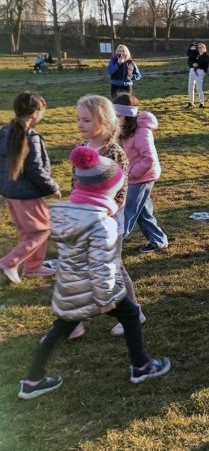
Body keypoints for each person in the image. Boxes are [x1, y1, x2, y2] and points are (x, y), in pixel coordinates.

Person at [17, 147, 170, 400]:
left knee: (58, 331)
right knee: (131, 314)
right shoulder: (103, 223)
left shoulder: (66, 212)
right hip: (96, 288)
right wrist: (105, 298)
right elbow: (101, 265)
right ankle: (141, 366)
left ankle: (32, 380)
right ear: (108, 190)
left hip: (69, 286)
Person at [73, 95, 145, 339]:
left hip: (108, 223)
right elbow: (75, 184)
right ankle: (72, 321)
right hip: (85, 221)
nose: (80, 124)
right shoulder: (81, 149)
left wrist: (102, 213)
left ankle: (133, 312)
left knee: (113, 268)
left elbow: (120, 192)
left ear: (104, 122)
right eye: (78, 119)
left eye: (87, 120)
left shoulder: (114, 153)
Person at [0, 92, 60, 284]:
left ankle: (33, 267)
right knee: (42, 230)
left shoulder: (4, 132)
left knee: (30, 232)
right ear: (35, 112)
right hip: (27, 193)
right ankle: (9, 262)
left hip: (11, 193)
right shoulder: (30, 137)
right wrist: (52, 187)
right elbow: (36, 170)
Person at [113, 94, 169, 254]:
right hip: (135, 176)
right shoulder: (128, 129)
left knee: (126, 213)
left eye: (118, 116)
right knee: (143, 213)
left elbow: (149, 159)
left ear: (128, 116)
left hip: (142, 178)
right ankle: (158, 240)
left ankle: (113, 248)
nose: (115, 119)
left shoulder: (141, 133)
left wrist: (130, 173)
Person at [187, 42, 208, 108]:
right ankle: (191, 102)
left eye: (201, 47)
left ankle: (202, 103)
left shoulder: (206, 56)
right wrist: (192, 64)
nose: (200, 48)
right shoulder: (196, 54)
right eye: (199, 47)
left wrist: (198, 65)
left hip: (200, 72)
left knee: (199, 88)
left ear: (204, 48)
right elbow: (189, 61)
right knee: (190, 87)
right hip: (192, 71)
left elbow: (205, 65)